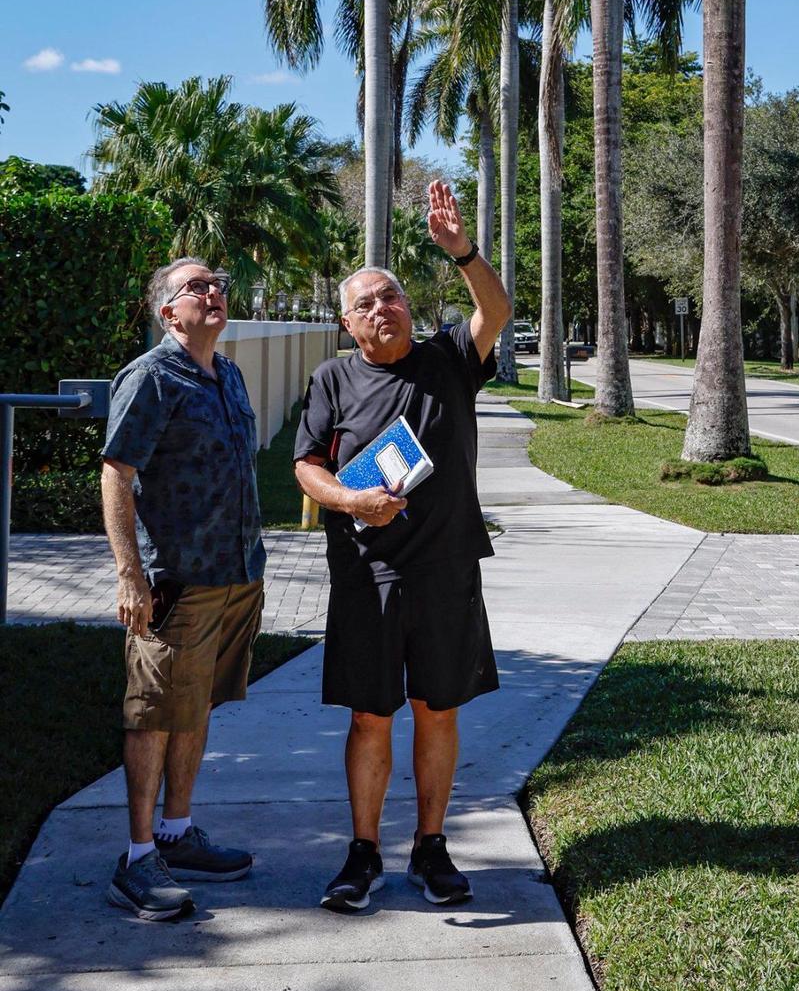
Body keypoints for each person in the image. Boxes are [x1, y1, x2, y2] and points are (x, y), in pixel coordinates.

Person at [294, 180, 510, 913]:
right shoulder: (331, 379)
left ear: (407, 306)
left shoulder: (449, 357)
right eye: (366, 302)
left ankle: (430, 845)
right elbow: (306, 466)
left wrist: (464, 252)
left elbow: (497, 312)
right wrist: (353, 501)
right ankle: (362, 852)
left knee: (438, 709)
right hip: (367, 572)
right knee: (369, 715)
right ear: (346, 321)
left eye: (390, 296)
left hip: (447, 569)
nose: (382, 308)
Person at [99, 257, 266, 922]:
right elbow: (116, 473)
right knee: (155, 713)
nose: (214, 293)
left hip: (236, 574)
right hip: (175, 580)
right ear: (169, 312)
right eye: (198, 287)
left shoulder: (227, 372)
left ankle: (177, 833)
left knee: (195, 707)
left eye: (218, 284)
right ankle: (138, 860)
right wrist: (129, 573)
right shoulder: (149, 377)